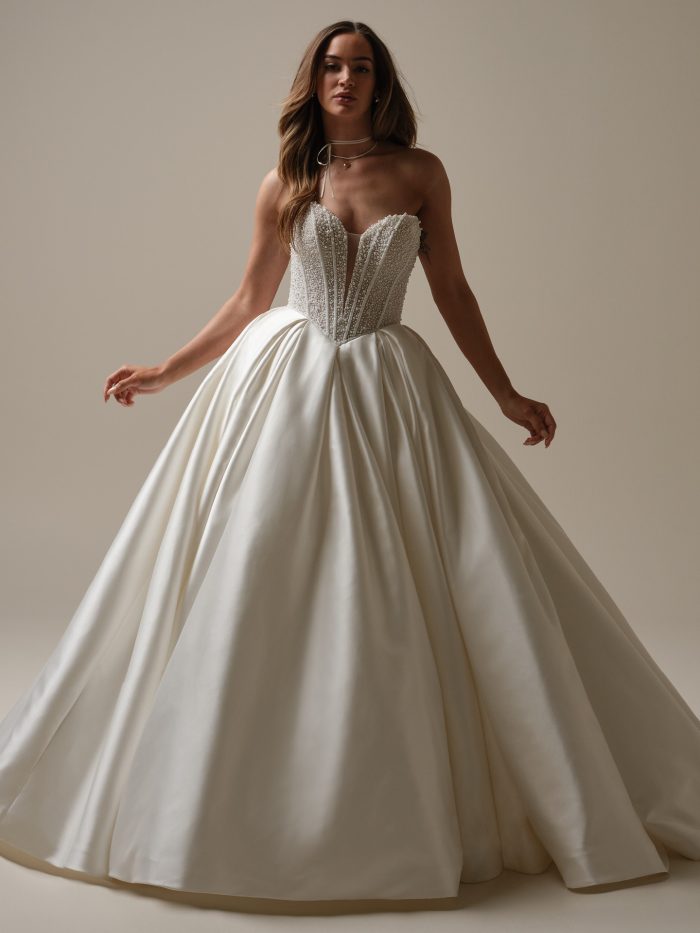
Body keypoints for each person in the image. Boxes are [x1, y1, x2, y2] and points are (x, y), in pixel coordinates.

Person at [1, 19, 699, 906]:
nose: (345, 78)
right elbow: (251, 296)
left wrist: (507, 394)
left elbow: (451, 291)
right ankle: (221, 798)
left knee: (427, 576)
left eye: (360, 66)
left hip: (388, 384)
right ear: (313, 80)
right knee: (256, 565)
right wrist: (167, 369)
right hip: (283, 382)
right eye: (331, 65)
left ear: (380, 82)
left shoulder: (420, 173)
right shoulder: (287, 180)